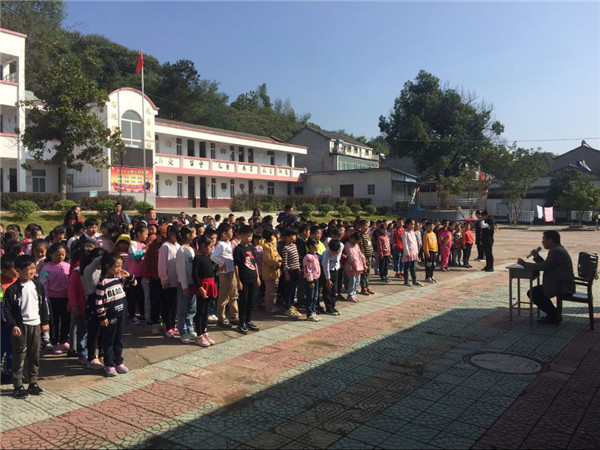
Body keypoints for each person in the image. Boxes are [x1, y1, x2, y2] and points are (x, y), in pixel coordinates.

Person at [3, 254, 50, 398]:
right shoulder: (12, 289)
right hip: (21, 327)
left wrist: (45, 321)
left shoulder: (37, 285)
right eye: (29, 269)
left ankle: (33, 382)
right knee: (19, 355)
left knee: (34, 355)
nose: (32, 271)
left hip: (36, 325)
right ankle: (18, 384)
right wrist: (13, 325)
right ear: (18, 270)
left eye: (33, 268)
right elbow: (6, 310)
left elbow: (44, 305)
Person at [517, 231, 575, 325]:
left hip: (562, 285)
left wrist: (524, 264)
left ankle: (553, 315)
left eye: (544, 239)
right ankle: (554, 315)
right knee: (536, 292)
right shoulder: (557, 249)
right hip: (559, 283)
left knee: (534, 293)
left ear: (550, 240)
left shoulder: (556, 251)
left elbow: (545, 266)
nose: (542, 242)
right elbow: (548, 264)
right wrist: (536, 257)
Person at [96, 252, 136, 377]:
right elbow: (99, 301)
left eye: (120, 266)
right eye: (116, 266)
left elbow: (134, 283)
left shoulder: (119, 278)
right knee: (109, 340)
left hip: (120, 313)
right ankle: (109, 364)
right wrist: (102, 316)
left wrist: (128, 275)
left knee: (118, 339)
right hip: (110, 316)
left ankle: (118, 361)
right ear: (108, 266)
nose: (119, 269)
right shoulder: (103, 281)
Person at [38, 243, 70, 354]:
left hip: (66, 298)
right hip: (52, 299)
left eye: (62, 254)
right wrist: (46, 300)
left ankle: (64, 340)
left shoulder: (68, 266)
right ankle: (55, 343)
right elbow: (43, 285)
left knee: (66, 320)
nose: (60, 257)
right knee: (54, 322)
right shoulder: (46, 268)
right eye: (57, 254)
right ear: (50, 254)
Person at [233, 225, 261, 334]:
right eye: (248, 236)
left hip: (253, 278)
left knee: (250, 301)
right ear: (242, 236)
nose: (250, 238)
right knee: (243, 301)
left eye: (251, 236)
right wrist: (238, 280)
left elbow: (254, 263)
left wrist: (257, 277)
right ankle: (242, 322)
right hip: (243, 279)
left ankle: (248, 321)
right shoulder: (238, 249)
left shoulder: (251, 248)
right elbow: (236, 266)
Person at [211, 223, 239, 328]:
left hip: (231, 272)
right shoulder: (221, 245)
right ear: (224, 233)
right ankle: (221, 318)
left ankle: (234, 315)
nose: (232, 233)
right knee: (224, 296)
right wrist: (221, 263)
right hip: (225, 274)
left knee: (233, 294)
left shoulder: (228, 243)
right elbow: (213, 256)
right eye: (230, 232)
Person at [191, 234, 217, 347]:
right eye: (210, 246)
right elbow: (194, 274)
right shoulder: (197, 258)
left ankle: (204, 331)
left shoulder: (207, 257)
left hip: (210, 284)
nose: (211, 249)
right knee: (200, 311)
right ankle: (199, 335)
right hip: (203, 286)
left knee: (206, 311)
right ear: (202, 246)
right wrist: (200, 287)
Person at [158, 225, 180, 338]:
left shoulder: (178, 246)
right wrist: (164, 279)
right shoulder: (165, 246)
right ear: (171, 234)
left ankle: (173, 325)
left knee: (175, 304)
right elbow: (161, 265)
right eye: (176, 234)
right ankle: (168, 326)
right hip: (168, 281)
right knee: (168, 305)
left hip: (177, 280)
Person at [175, 226, 197, 344]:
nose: (195, 235)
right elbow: (181, 270)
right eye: (193, 233)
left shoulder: (191, 248)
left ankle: (190, 329)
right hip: (185, 284)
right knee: (183, 309)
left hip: (192, 283)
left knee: (191, 308)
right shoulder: (181, 250)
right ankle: (183, 332)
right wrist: (184, 286)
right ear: (188, 235)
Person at [281, 227, 302, 319]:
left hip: (296, 270)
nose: (295, 237)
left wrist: (298, 267)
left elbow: (297, 258)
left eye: (295, 235)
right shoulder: (285, 248)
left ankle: (293, 308)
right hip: (290, 272)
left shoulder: (294, 245)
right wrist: (286, 273)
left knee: (293, 290)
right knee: (288, 291)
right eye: (293, 235)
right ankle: (288, 308)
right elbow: (285, 262)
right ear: (287, 237)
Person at [343, 232, 366, 303]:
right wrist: (355, 265)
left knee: (357, 281)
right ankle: (350, 295)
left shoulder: (356, 245)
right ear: (353, 238)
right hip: (351, 266)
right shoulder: (347, 245)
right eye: (357, 240)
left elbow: (360, 254)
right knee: (352, 281)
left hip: (358, 266)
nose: (357, 242)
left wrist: (364, 263)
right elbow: (351, 256)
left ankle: (353, 293)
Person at [321, 239, 342, 316]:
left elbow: (338, 258)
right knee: (328, 289)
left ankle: (333, 306)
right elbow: (326, 266)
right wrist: (328, 280)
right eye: (332, 251)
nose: (334, 253)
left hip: (335, 269)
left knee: (334, 289)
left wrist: (338, 266)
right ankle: (328, 307)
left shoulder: (341, 246)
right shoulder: (327, 253)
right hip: (327, 271)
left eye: (335, 252)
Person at [303, 237, 321, 321]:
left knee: (315, 296)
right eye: (316, 244)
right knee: (310, 296)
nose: (318, 246)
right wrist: (310, 281)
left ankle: (314, 312)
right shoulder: (308, 257)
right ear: (311, 246)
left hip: (316, 278)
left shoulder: (315, 255)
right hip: (310, 280)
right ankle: (309, 313)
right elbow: (308, 270)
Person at [402, 219, 423, 287]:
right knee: (406, 267)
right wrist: (407, 252)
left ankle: (414, 280)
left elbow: (415, 243)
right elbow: (405, 243)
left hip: (414, 252)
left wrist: (417, 252)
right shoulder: (405, 232)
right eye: (411, 224)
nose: (413, 226)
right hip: (408, 253)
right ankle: (406, 280)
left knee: (412, 267)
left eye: (413, 224)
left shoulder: (413, 232)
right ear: (407, 224)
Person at [357, 219, 374, 296]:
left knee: (368, 272)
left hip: (369, 256)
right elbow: (361, 248)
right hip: (364, 257)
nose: (367, 227)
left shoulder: (367, 235)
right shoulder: (360, 235)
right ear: (360, 227)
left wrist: (372, 255)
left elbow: (371, 246)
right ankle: (363, 287)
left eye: (368, 226)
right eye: (365, 226)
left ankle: (367, 286)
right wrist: (363, 257)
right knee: (364, 273)